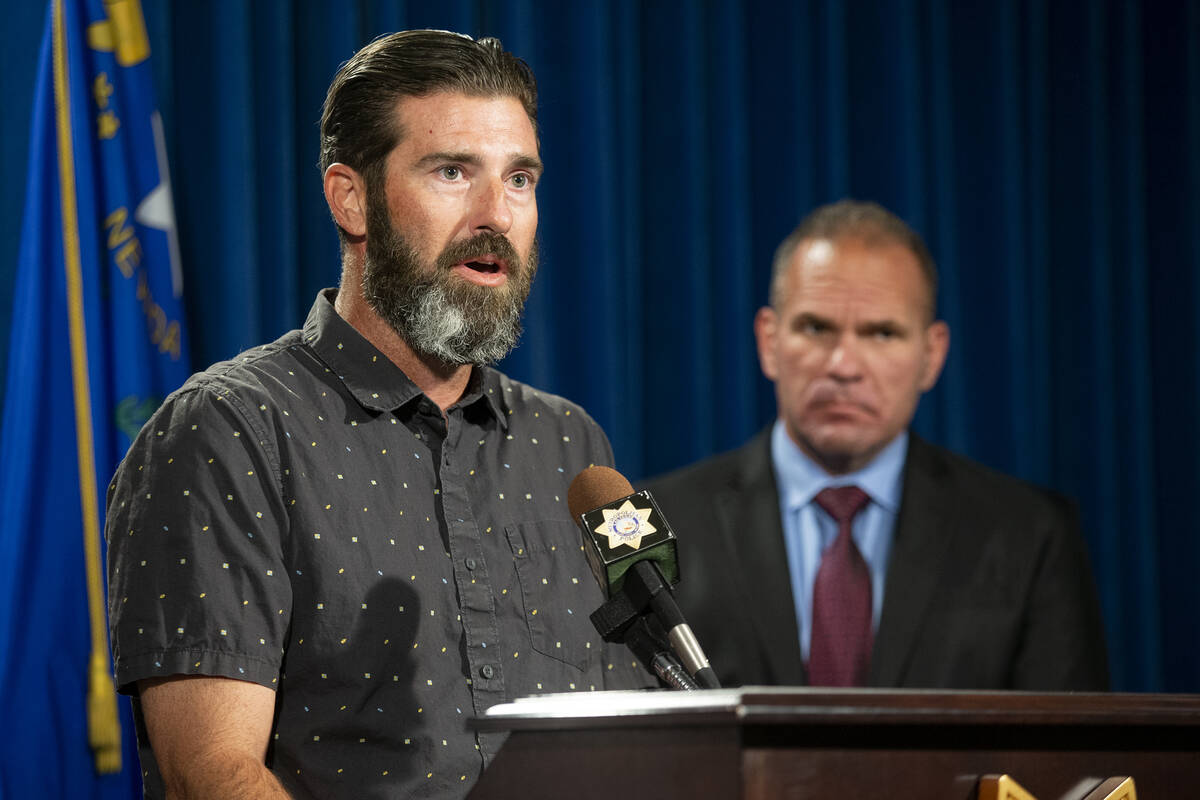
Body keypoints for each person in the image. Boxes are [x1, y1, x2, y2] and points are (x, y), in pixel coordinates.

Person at [106, 30, 652, 799]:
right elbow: (214, 774)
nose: (496, 214)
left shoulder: (571, 445)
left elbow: (640, 734)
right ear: (350, 198)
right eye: (453, 172)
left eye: (520, 178)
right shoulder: (228, 430)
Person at [642, 200, 1109, 691]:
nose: (844, 366)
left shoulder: (1029, 536)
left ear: (932, 355)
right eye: (816, 328)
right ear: (769, 341)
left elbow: (1070, 735)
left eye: (882, 333)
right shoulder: (665, 524)